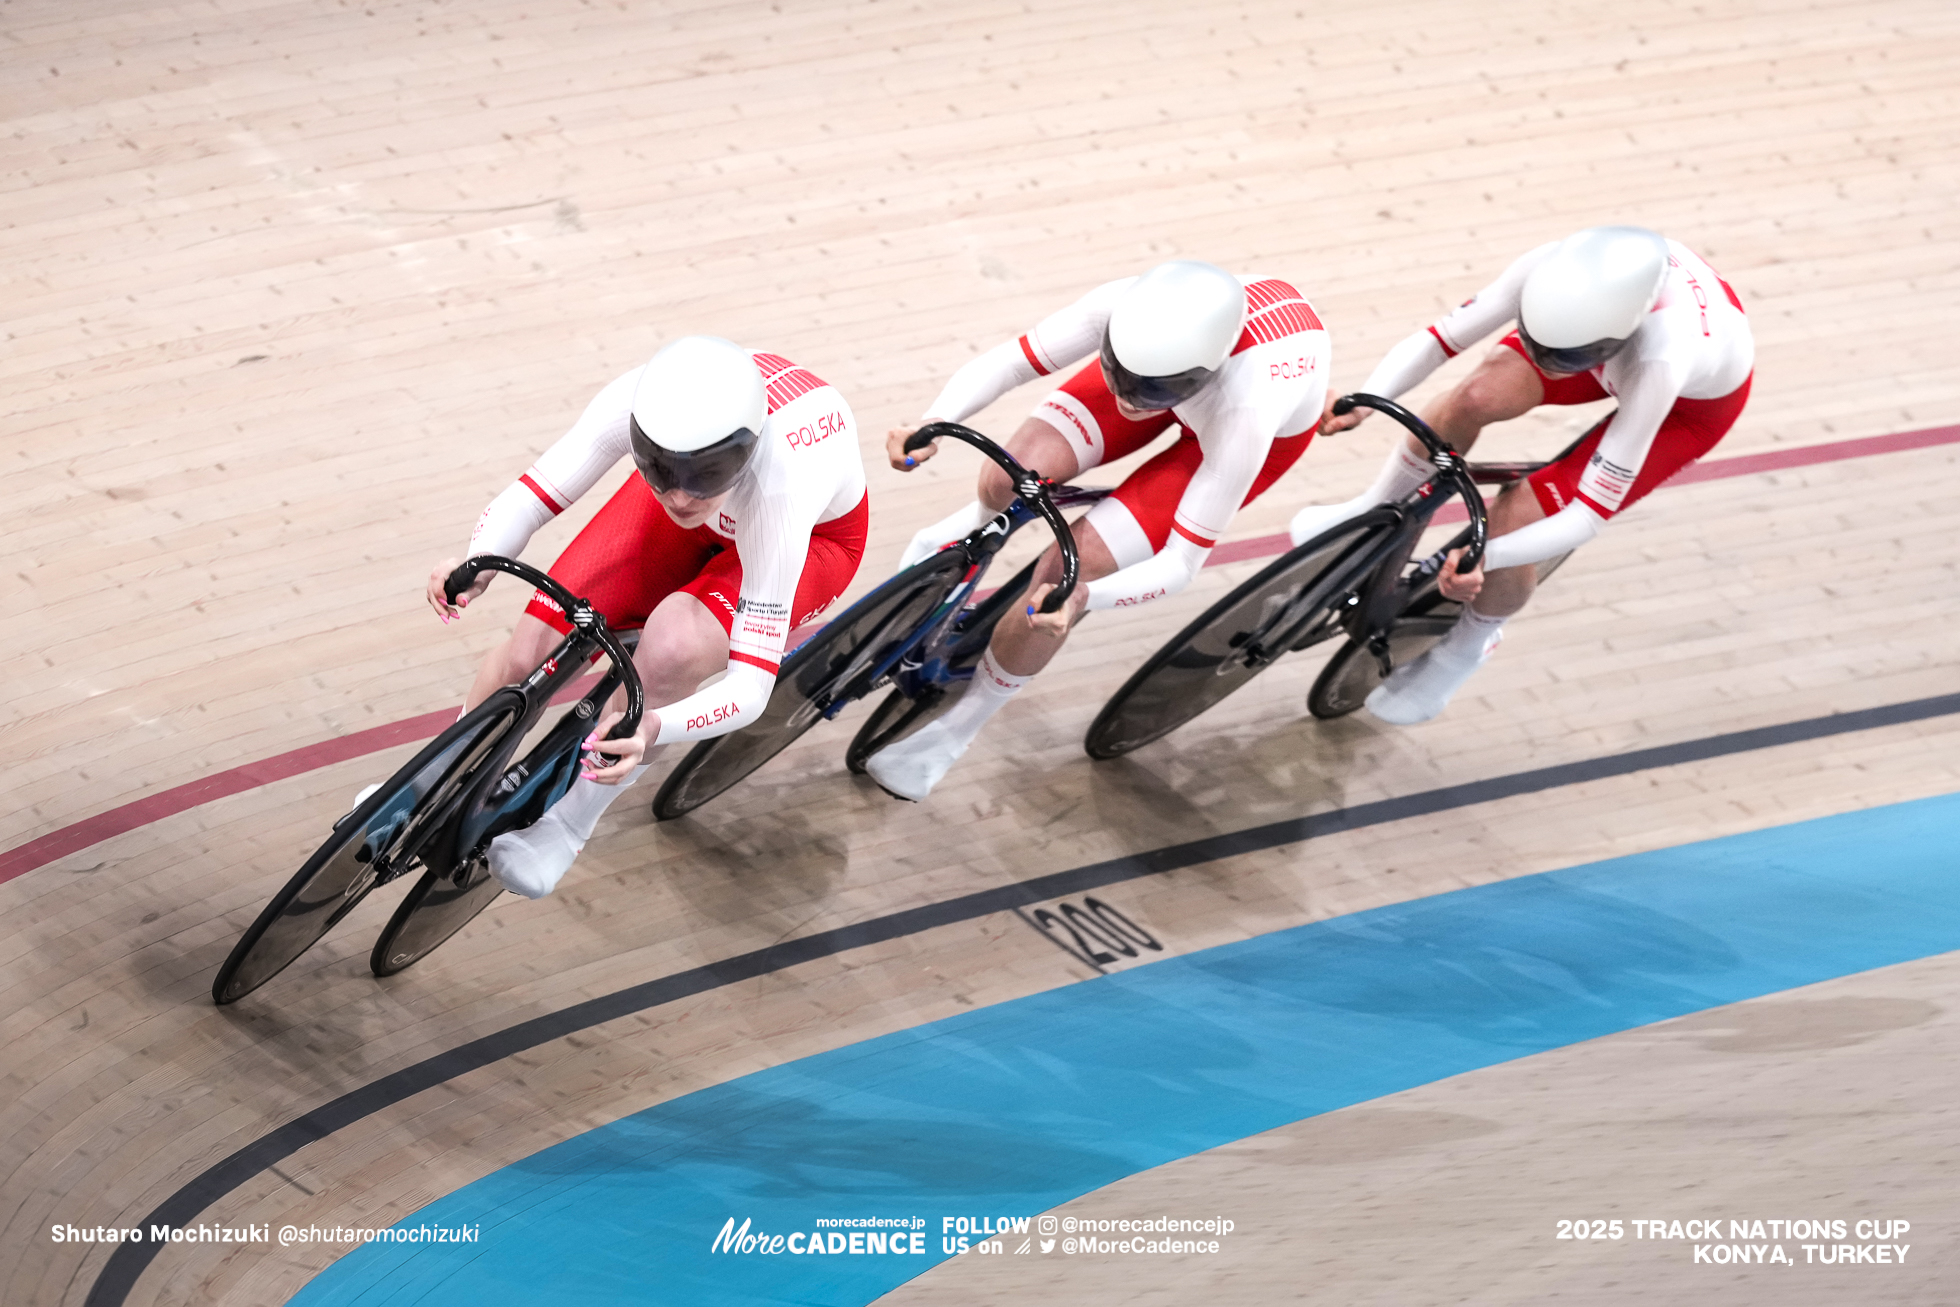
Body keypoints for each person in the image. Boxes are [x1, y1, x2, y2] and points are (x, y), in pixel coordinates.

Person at [865, 260, 1330, 800]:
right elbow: (1012, 362)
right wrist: (931, 421)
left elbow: (1181, 564)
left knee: (1062, 574)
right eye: (1119, 374)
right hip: (1180, 377)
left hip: (1241, 428)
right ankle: (964, 533)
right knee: (1005, 479)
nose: (1131, 398)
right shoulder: (1125, 310)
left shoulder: (1245, 413)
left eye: (1150, 391)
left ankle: (954, 732)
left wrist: (1086, 596)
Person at [422, 336, 868, 897]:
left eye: (705, 474)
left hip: (814, 540)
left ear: (746, 450)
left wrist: (657, 724)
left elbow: (751, 688)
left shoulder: (781, 484)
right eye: (658, 469)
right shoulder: (639, 408)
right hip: (726, 508)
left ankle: (567, 824)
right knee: (528, 648)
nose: (680, 496)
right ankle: (425, 784)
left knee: (673, 646)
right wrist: (476, 561)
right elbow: (534, 495)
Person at [1289, 226, 1754, 724]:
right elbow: (1437, 342)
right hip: (1596, 349)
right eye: (1533, 341)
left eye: (1562, 358)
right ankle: (1373, 508)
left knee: (1517, 518)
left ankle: (1464, 650)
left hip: (1687, 406)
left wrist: (1486, 554)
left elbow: (1585, 517)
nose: (1545, 365)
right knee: (1473, 398)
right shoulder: (1547, 272)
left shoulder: (1664, 353)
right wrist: (1367, 400)